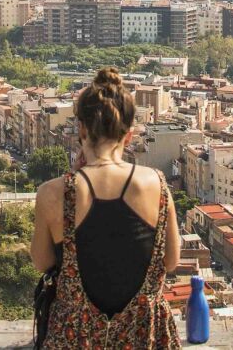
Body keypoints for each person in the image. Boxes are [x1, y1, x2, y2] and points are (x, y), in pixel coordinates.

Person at [30, 67, 180, 348]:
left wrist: (75, 176)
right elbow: (171, 261)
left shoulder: (53, 193)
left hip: (76, 338)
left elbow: (42, 262)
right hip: (143, 336)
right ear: (129, 135)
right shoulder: (157, 184)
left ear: (82, 129)